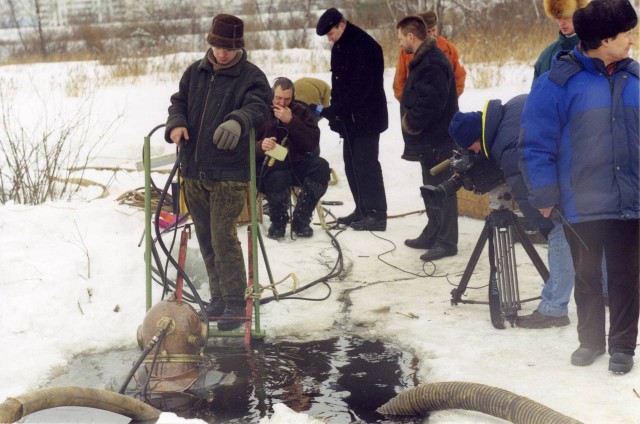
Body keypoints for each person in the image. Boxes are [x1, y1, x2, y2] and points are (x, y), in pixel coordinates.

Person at [519, 0, 638, 374]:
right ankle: (590, 342)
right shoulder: (558, 83)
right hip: (581, 201)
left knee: (626, 276)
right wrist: (544, 194)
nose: (632, 40)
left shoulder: (635, 80)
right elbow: (535, 143)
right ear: (604, 39)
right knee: (586, 277)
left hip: (630, 199)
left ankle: (622, 345)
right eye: (626, 34)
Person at [165, 14, 271, 331]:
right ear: (210, 42)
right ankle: (219, 299)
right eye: (218, 46)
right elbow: (177, 102)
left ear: (239, 47)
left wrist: (239, 120)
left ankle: (236, 303)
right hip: (194, 171)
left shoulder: (251, 77)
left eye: (229, 48)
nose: (222, 53)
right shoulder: (194, 73)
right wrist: (176, 123)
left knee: (223, 237)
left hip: (229, 173)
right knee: (206, 237)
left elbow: (259, 106)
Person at [449, 96, 576, 329]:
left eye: (472, 147)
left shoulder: (506, 145)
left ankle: (554, 309)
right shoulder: (512, 106)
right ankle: (607, 291)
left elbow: (527, 191)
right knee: (593, 229)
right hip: (584, 159)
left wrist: (546, 225)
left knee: (560, 232)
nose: (475, 152)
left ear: (477, 138)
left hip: (568, 176)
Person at [316, 8, 389, 231]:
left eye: (331, 33)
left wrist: (336, 109)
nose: (329, 38)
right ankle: (362, 209)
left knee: (367, 165)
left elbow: (361, 88)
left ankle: (377, 214)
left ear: (342, 25)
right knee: (352, 165)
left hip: (367, 117)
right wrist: (338, 113)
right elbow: (339, 82)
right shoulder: (340, 46)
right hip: (351, 119)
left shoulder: (364, 45)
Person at [396, 15, 459, 261]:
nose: (400, 43)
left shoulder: (432, 62)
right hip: (428, 142)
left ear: (411, 36)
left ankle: (447, 242)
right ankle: (433, 232)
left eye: (401, 38)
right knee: (430, 188)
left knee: (442, 188)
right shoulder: (423, 59)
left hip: (437, 140)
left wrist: (410, 122)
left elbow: (432, 103)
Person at [257, 77, 330, 239]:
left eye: (287, 99)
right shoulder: (260, 111)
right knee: (278, 176)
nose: (282, 103)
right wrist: (261, 145)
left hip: (296, 162)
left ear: (293, 97)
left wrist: (291, 121)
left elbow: (311, 143)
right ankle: (279, 221)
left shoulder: (301, 112)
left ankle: (302, 218)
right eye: (278, 98)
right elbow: (244, 144)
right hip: (268, 166)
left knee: (321, 167)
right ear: (271, 95)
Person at [393, 11, 466, 101]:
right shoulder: (407, 51)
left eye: (434, 30)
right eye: (428, 31)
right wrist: (408, 104)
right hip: (416, 109)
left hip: (446, 108)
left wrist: (450, 99)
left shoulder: (449, 48)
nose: (432, 34)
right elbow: (399, 82)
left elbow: (460, 76)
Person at [533, 0, 589, 81]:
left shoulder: (595, 49)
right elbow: (537, 91)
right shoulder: (547, 55)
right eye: (559, 18)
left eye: (566, 17)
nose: (562, 23)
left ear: (579, 15)